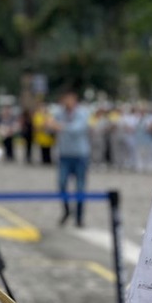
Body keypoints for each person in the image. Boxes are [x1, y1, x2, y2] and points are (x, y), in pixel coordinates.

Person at [52, 91, 91, 227]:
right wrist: (49, 125)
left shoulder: (82, 113)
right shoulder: (59, 113)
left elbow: (77, 129)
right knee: (62, 183)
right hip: (64, 155)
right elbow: (52, 127)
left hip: (80, 155)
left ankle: (79, 217)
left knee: (80, 187)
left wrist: (60, 126)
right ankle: (66, 210)